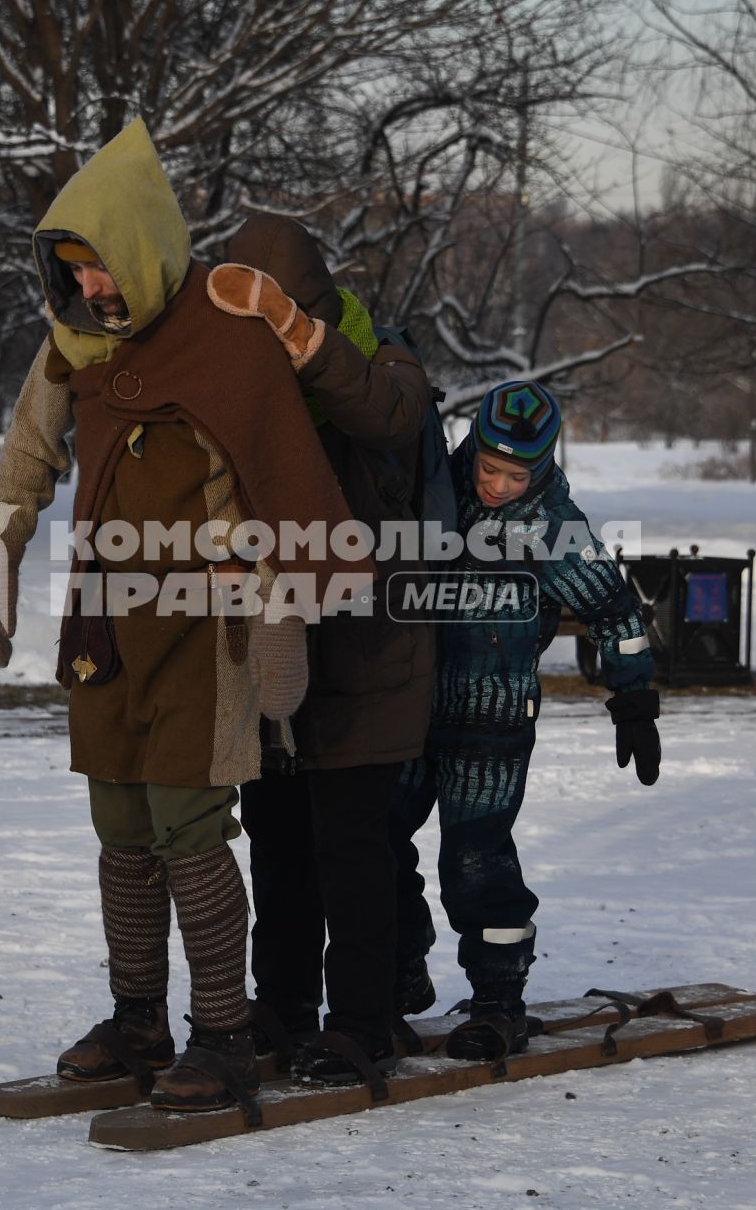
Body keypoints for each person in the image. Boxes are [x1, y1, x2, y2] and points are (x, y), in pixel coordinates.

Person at [0, 120, 363, 1114]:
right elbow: (29, 449)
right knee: (120, 823)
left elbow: (273, 471)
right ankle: (137, 1014)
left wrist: (280, 615)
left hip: (208, 622)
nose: (92, 290)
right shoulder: (73, 345)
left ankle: (223, 1032)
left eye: (102, 268)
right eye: (72, 273)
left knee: (190, 825)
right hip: (108, 621)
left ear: (141, 247)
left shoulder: (228, 338)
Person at [216, 215, 437, 1086]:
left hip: (371, 655)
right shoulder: (244, 382)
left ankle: (362, 1020)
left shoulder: (383, 359)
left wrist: (300, 339)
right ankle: (282, 1007)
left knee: (353, 849)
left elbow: (387, 418)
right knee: (274, 841)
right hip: (274, 656)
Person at [389, 379, 662, 1061]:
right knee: (374, 842)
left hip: (494, 723)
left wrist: (633, 702)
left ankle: (496, 1004)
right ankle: (399, 969)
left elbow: (617, 614)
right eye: (489, 468)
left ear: (539, 469)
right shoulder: (437, 493)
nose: (499, 485)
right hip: (410, 713)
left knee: (476, 864)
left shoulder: (553, 527)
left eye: (516, 475)